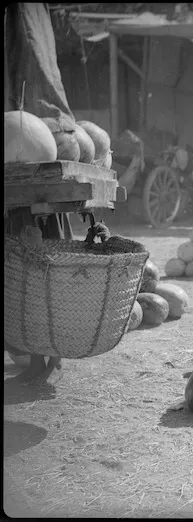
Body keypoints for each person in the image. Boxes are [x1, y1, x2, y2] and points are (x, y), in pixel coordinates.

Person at [4, 3, 79, 386]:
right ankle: (48, 353)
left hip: (26, 156)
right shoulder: (35, 9)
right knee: (44, 264)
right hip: (50, 140)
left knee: (28, 270)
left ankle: (40, 359)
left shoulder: (20, 11)